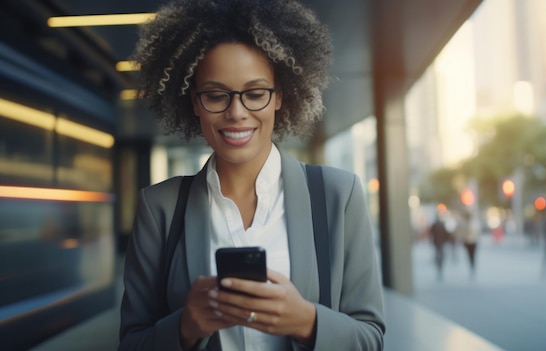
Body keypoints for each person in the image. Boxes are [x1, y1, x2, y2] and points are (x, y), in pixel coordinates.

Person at [118, 1, 385, 350]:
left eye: (255, 94)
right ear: (195, 102)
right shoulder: (159, 208)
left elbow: (371, 339)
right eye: (215, 95)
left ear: (280, 97)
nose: (236, 113)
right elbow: (131, 343)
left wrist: (307, 321)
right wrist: (185, 327)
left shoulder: (338, 195)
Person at [456, 208, 480, 278]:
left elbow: (476, 232)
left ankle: (472, 266)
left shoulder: (474, 223)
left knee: (471, 255)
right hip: (468, 241)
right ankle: (472, 266)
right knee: (470, 255)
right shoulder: (465, 223)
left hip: (472, 241)